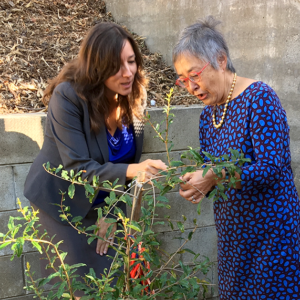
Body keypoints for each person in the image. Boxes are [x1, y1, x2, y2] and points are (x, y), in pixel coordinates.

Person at [23, 22, 166, 297]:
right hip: (61, 206)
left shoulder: (134, 96)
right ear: (97, 67)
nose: (127, 73)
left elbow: (128, 159)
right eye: (116, 66)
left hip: (104, 205)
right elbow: (78, 168)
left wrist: (111, 213)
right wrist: (135, 171)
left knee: (110, 283)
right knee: (78, 288)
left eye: (131, 61)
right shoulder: (68, 98)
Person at [173, 16, 300, 300]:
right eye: (183, 80)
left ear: (220, 59)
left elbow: (271, 167)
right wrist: (199, 180)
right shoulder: (208, 115)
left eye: (194, 75)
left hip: (271, 236)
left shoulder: (259, 98)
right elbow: (211, 165)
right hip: (233, 238)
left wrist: (215, 175)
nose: (191, 86)